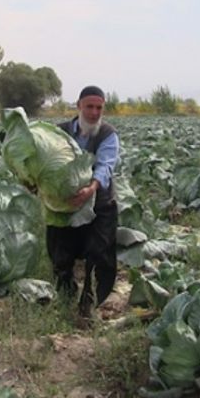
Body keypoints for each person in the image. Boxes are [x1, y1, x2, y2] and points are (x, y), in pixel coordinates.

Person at [46, 85, 120, 319]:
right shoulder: (60, 133)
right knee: (61, 257)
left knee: (99, 256)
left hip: (100, 204)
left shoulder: (107, 134)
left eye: (99, 108)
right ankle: (66, 302)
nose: (94, 112)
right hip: (66, 205)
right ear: (78, 106)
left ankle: (90, 305)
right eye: (89, 106)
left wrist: (92, 188)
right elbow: (46, 163)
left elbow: (105, 165)